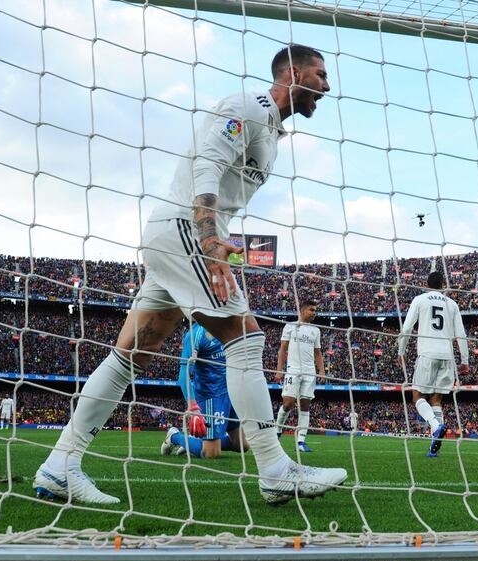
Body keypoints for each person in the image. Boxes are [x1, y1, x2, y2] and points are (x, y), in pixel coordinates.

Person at [33, 45, 346, 505]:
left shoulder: (272, 132)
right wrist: (209, 239)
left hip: (175, 234)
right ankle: (276, 470)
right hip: (187, 230)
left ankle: (60, 465)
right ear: (294, 73)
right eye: (320, 75)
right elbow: (207, 164)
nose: (326, 85)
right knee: (245, 337)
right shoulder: (248, 107)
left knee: (134, 351)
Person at [398, 271, 469, 457]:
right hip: (447, 356)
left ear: (426, 283)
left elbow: (406, 328)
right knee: (436, 400)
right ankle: (433, 447)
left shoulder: (420, 299)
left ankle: (436, 427)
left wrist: (401, 351)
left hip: (427, 354)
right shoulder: (452, 304)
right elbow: (461, 334)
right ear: (443, 284)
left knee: (417, 396)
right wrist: (465, 360)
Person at [161, 322, 247, 459]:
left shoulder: (227, 324)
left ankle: (196, 443)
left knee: (242, 445)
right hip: (211, 396)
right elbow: (183, 375)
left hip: (230, 392)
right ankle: (174, 437)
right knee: (211, 453)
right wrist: (193, 407)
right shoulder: (195, 335)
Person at [274, 301, 324, 452]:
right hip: (293, 370)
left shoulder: (315, 330)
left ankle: (301, 441)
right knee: (288, 404)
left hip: (309, 372)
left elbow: (317, 353)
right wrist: (279, 370)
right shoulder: (290, 326)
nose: (314, 312)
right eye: (311, 310)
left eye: (315, 310)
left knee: (305, 406)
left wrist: (321, 371)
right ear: (303, 310)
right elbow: (283, 349)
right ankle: (277, 432)